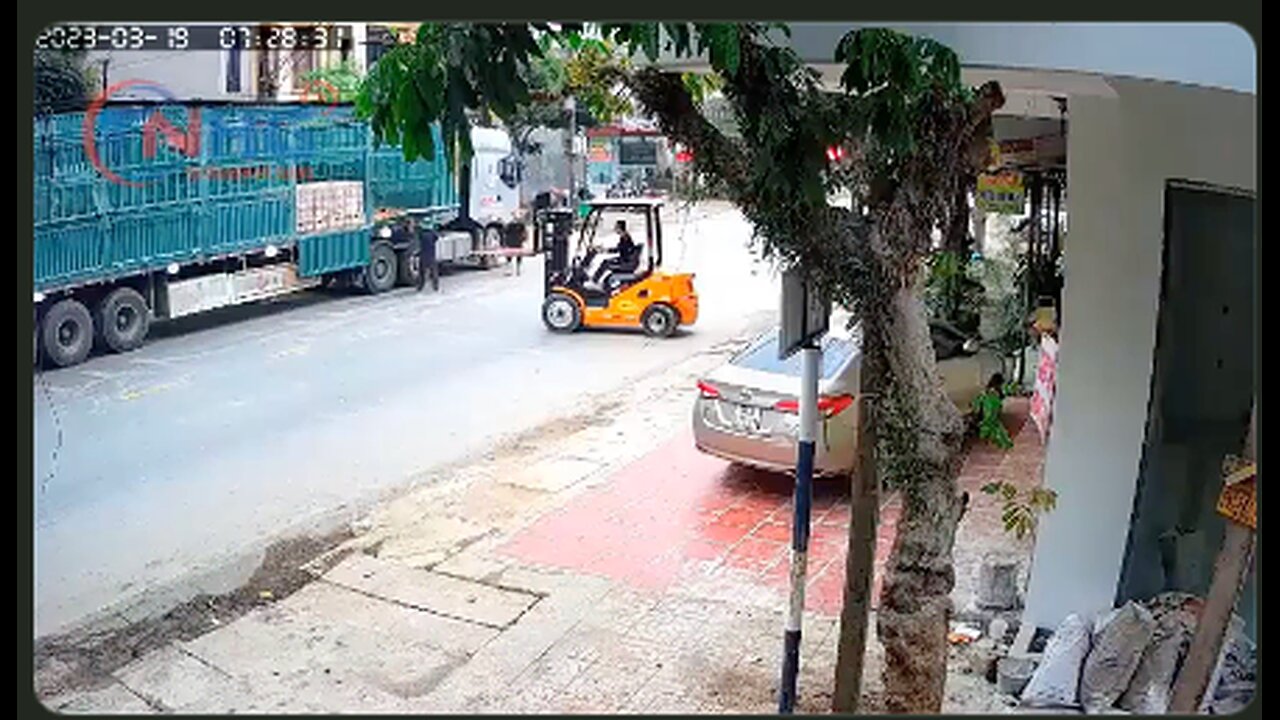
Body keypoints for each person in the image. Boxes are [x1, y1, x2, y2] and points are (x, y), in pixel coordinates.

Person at [416, 225, 439, 293]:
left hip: (423, 255)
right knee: (434, 271)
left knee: (422, 272)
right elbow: (436, 238)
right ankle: (435, 286)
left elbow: (419, 239)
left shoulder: (421, 234)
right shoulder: (433, 234)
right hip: (431, 255)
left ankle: (420, 286)